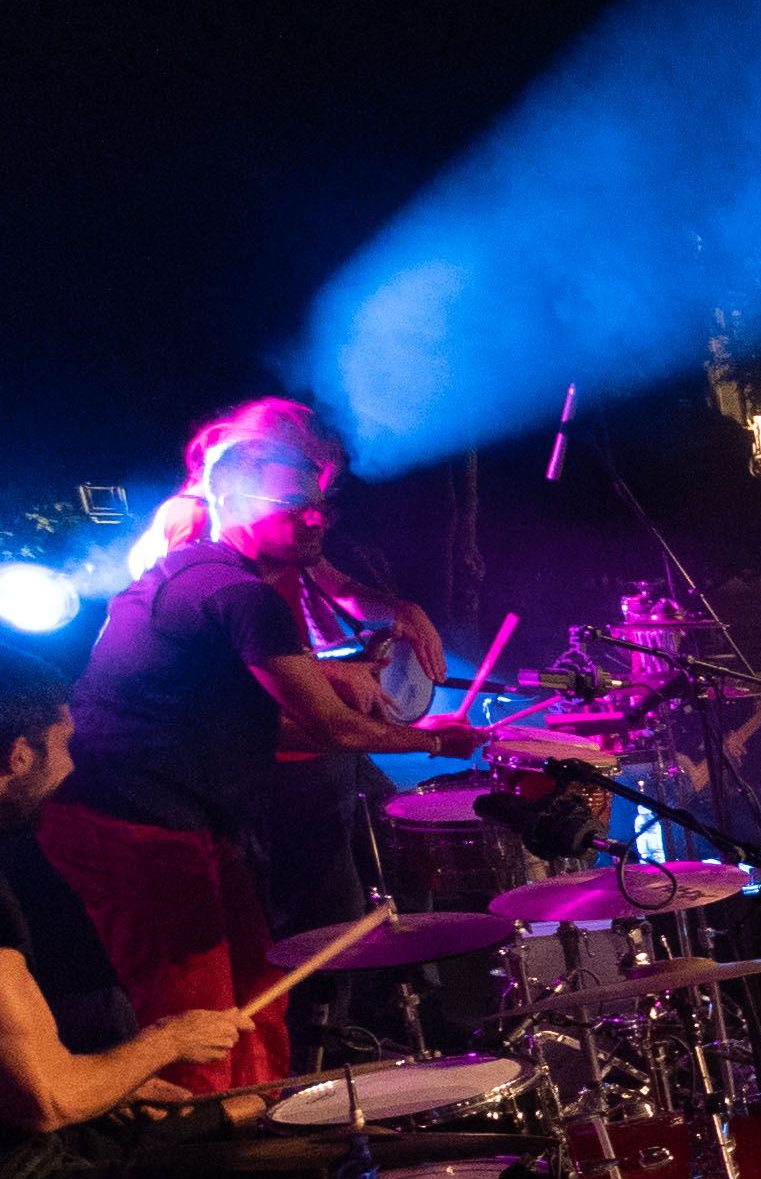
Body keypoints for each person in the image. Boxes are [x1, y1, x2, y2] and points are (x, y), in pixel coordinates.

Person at [39, 430, 485, 1093]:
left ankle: (260, 1122)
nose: (316, 518)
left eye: (322, 503)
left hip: (170, 815)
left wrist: (355, 681)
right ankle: (214, 1160)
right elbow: (332, 729)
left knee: (257, 992)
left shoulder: (207, 572)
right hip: (130, 825)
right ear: (235, 501)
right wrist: (436, 741)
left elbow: (242, 723)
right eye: (294, 504)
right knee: (197, 1014)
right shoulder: (237, 595)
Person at [0, 649, 333, 1179]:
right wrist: (166, 1042)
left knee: (250, 1112)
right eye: (66, 743)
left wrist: (122, 1082)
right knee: (338, 1174)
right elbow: (46, 1104)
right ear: (18, 754)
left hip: (45, 1154)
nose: (74, 765)